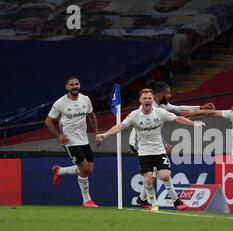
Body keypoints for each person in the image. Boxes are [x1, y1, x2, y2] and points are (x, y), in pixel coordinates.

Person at [96, 88, 205, 211]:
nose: (147, 100)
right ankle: (154, 204)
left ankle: (176, 201)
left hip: (159, 151)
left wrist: (194, 124)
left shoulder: (160, 113)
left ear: (153, 100)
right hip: (143, 152)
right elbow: (120, 126)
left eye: (149, 98)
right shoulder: (134, 115)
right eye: (145, 98)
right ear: (140, 100)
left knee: (165, 175)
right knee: (148, 179)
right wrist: (104, 135)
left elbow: (177, 118)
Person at [130, 80, 215, 210]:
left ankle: (142, 199)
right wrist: (163, 144)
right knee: (153, 173)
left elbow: (178, 109)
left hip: (153, 144)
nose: (169, 96)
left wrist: (200, 107)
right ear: (160, 94)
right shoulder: (149, 107)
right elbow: (149, 132)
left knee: (152, 174)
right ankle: (171, 201)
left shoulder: (161, 107)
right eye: (167, 94)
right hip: (139, 143)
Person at [45, 76, 99, 208]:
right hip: (70, 141)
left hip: (84, 140)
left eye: (76, 84)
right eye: (72, 85)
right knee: (84, 169)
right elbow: (48, 121)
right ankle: (86, 200)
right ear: (67, 87)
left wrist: (97, 132)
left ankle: (60, 171)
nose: (74, 86)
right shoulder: (60, 103)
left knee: (89, 170)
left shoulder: (85, 99)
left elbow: (91, 115)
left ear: (79, 85)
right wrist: (59, 136)